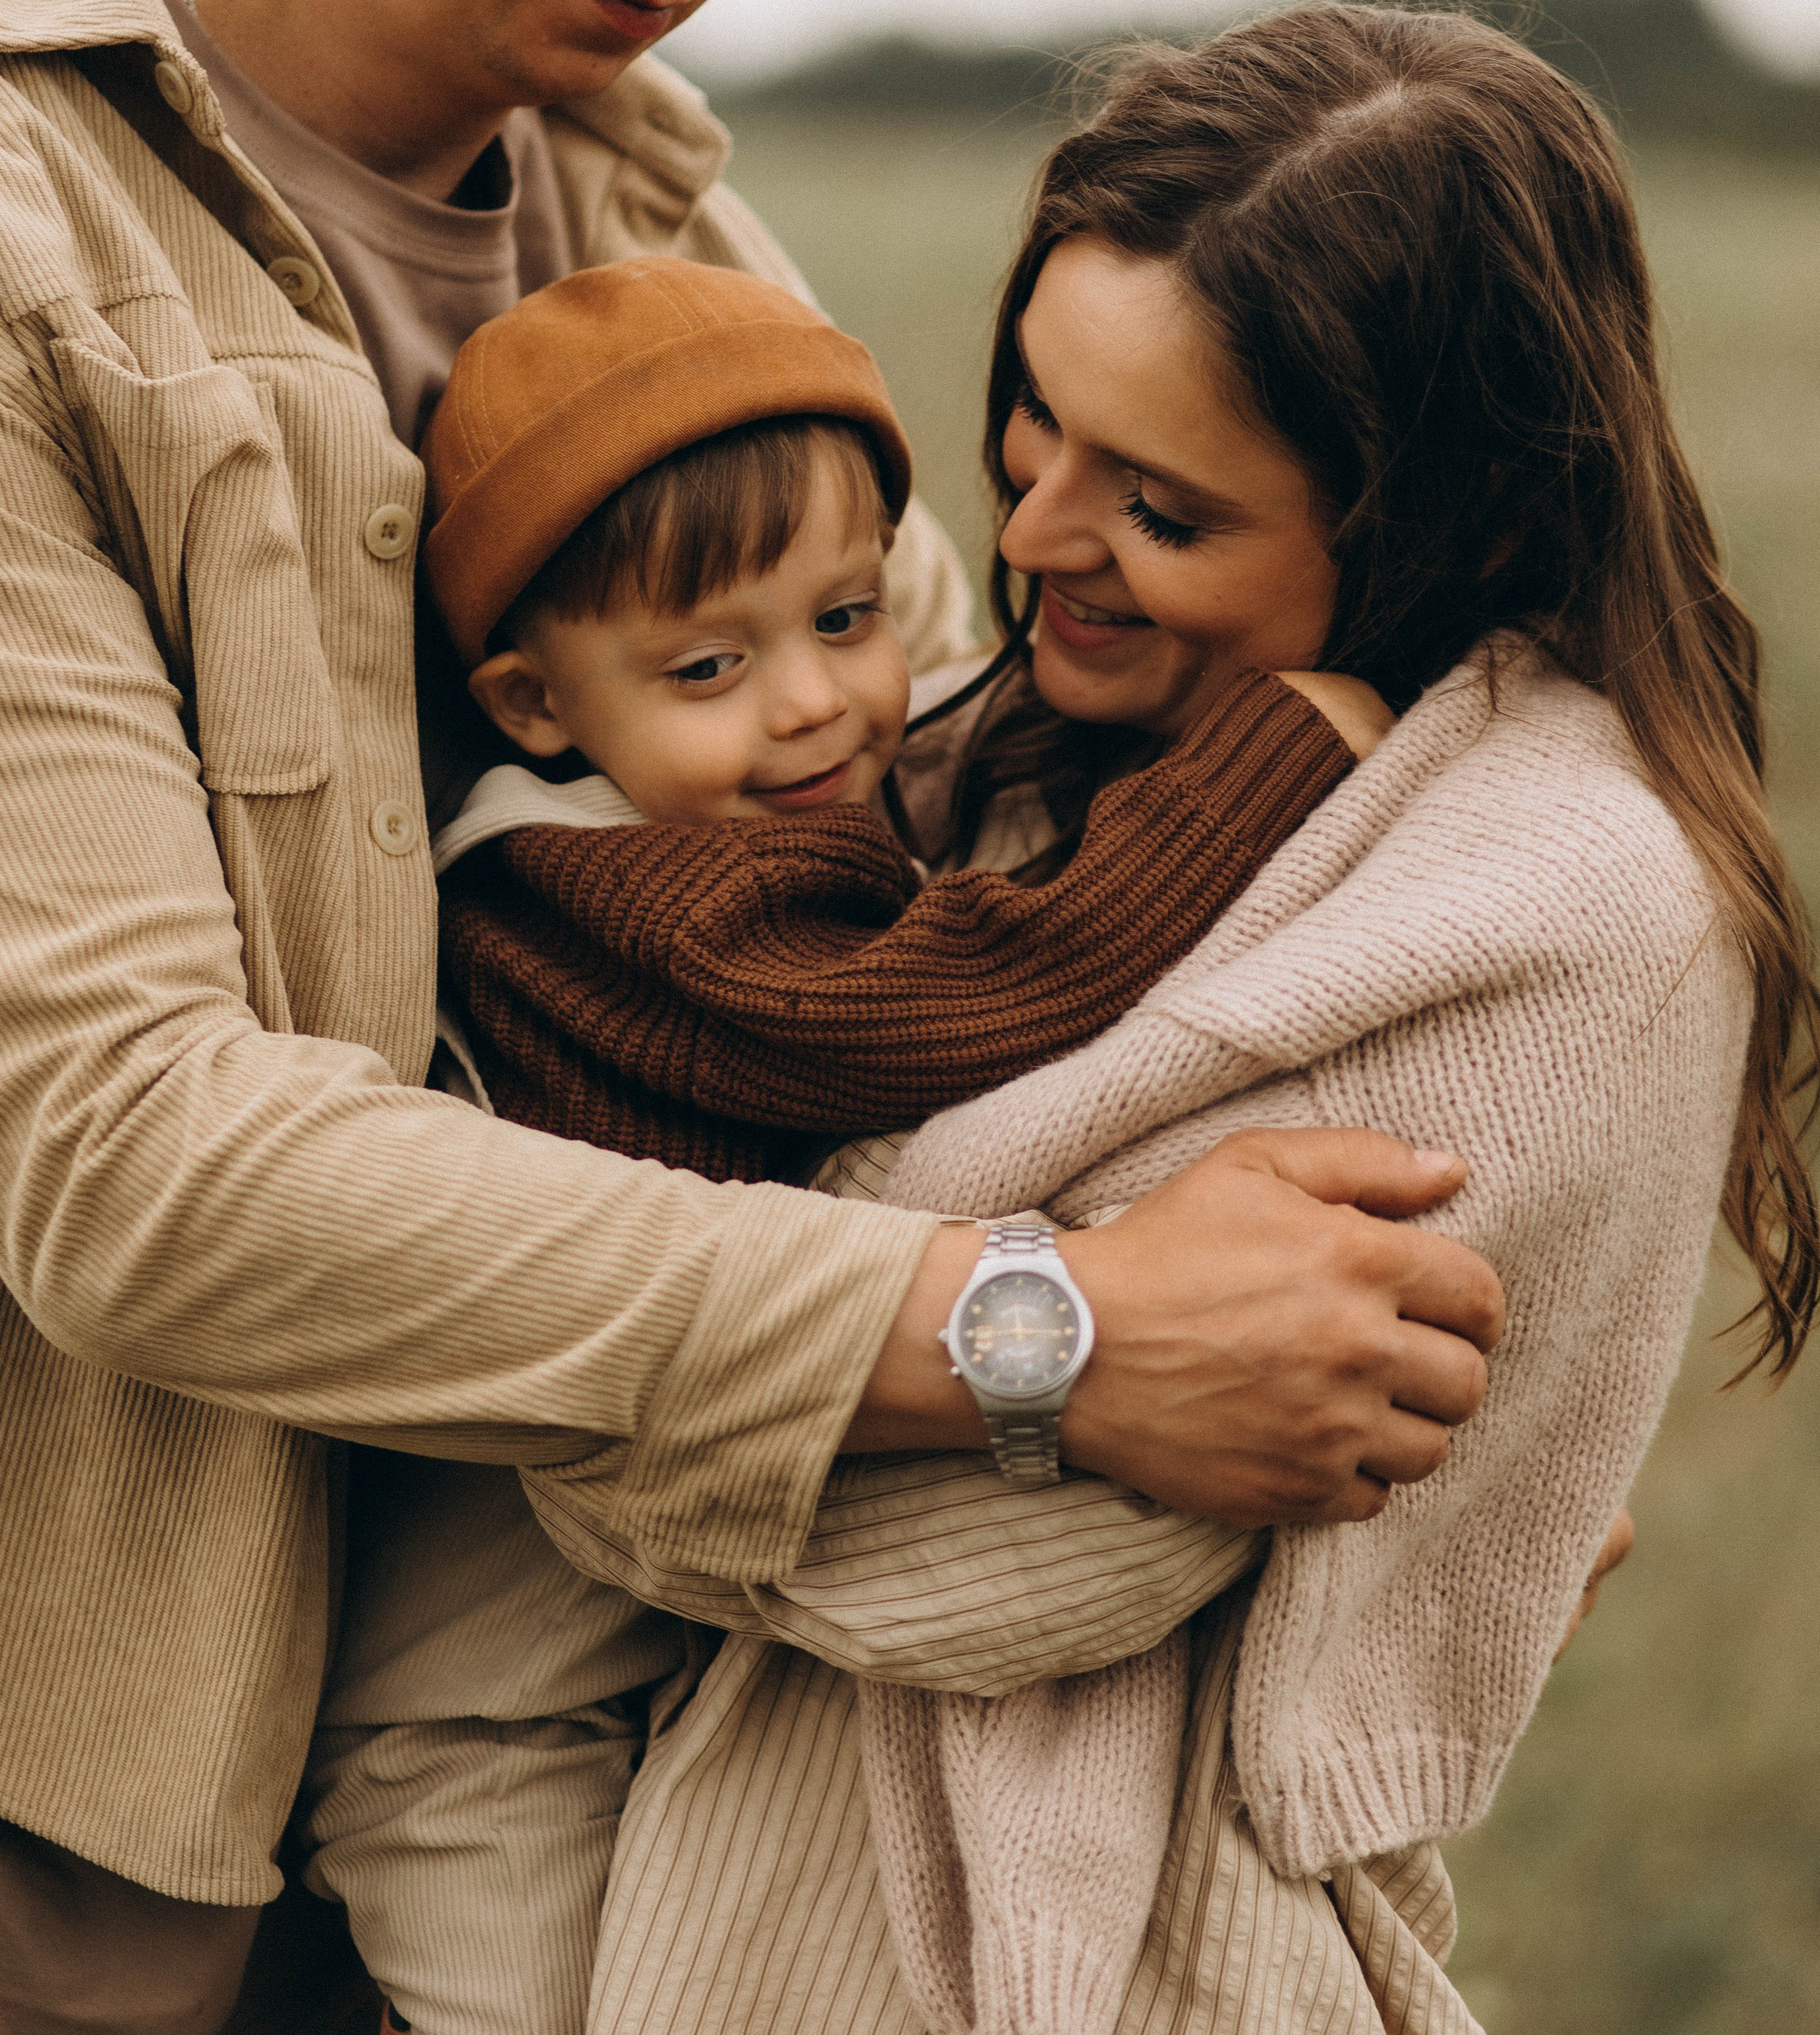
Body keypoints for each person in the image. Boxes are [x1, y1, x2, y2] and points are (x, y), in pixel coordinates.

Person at [0, 0, 1504, 2028]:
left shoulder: (686, 234)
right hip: (37, 1828)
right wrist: (1045, 1335)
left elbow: (964, 867)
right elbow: (123, 1154)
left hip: (671, 1718)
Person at [491, 3, 1816, 2035]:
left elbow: (1005, 1566)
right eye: (1036, 419)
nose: (1022, 540)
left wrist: (607, 1399)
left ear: (1439, 516)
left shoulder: (1566, 914)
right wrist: (1012, 1318)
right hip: (736, 1907)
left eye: (1165, 509)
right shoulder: (1037, 749)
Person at [298, 253, 1388, 2033]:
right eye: (712, 660)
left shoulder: (704, 796)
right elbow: (935, 998)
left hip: (653, 1596)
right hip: (480, 1694)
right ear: (531, 705)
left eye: (847, 616)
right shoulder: (586, 886)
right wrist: (1260, 761)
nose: (812, 704)